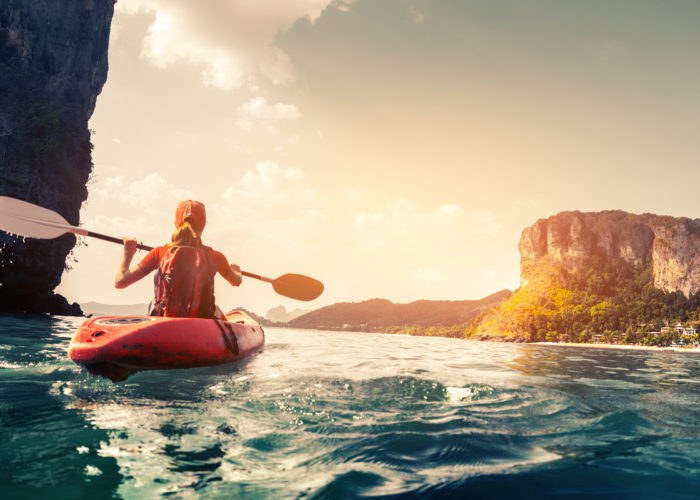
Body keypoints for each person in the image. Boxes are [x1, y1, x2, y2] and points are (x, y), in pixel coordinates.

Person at [115, 200, 242, 318]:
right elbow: (236, 281)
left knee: (152, 304)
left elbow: (120, 282)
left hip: (164, 320)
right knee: (216, 310)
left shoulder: (159, 253)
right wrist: (236, 271)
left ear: (176, 223)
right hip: (202, 321)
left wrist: (128, 253)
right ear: (203, 225)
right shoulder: (215, 256)